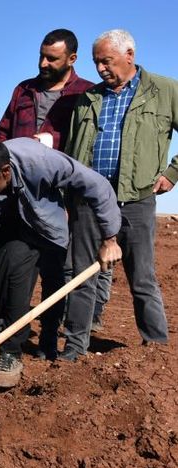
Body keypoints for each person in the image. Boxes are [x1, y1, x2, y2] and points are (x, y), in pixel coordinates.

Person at [0, 138, 121, 389]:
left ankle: (20, 352)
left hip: (44, 229)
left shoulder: (39, 161)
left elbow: (96, 184)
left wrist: (110, 238)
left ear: (5, 172)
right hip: (2, 227)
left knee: (44, 277)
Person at [62, 29, 178, 361]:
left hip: (136, 201)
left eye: (106, 61)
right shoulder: (89, 97)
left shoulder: (165, 91)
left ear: (129, 55)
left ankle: (155, 352)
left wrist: (172, 174)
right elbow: (73, 151)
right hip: (89, 202)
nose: (100, 68)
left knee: (142, 278)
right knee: (83, 275)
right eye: (96, 62)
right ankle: (74, 351)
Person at [0, 28, 111, 337]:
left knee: (58, 267)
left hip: (64, 194)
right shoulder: (23, 90)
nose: (44, 63)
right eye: (41, 56)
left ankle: (50, 331)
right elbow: (3, 134)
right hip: (20, 192)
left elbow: (90, 145)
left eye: (52, 58)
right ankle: (8, 324)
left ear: (72, 59)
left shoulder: (86, 93)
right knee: (17, 258)